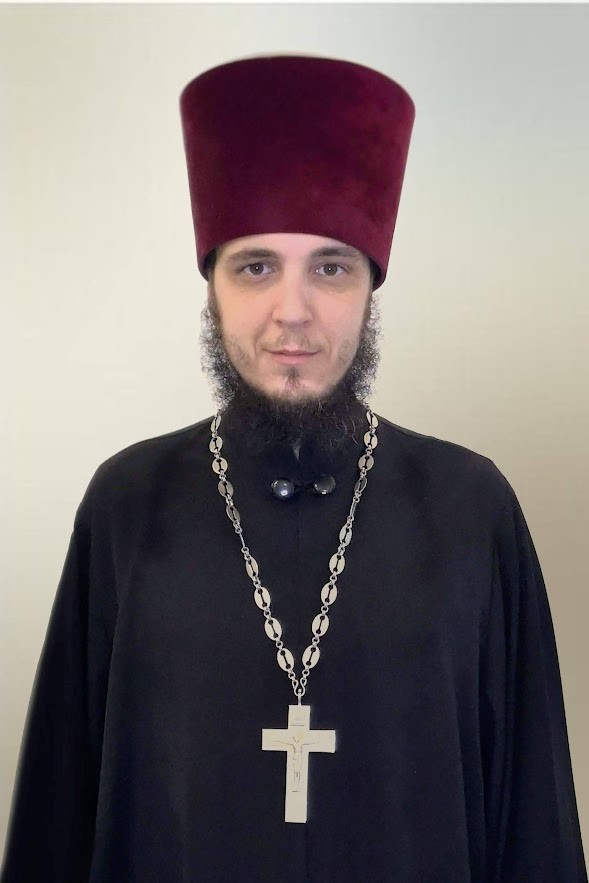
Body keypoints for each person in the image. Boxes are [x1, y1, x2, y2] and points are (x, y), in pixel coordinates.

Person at [1, 55, 586, 882]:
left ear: (370, 287)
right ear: (211, 285)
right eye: (255, 267)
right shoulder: (128, 502)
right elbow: (58, 811)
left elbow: (532, 813)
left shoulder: (470, 505)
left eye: (330, 267)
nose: (292, 311)